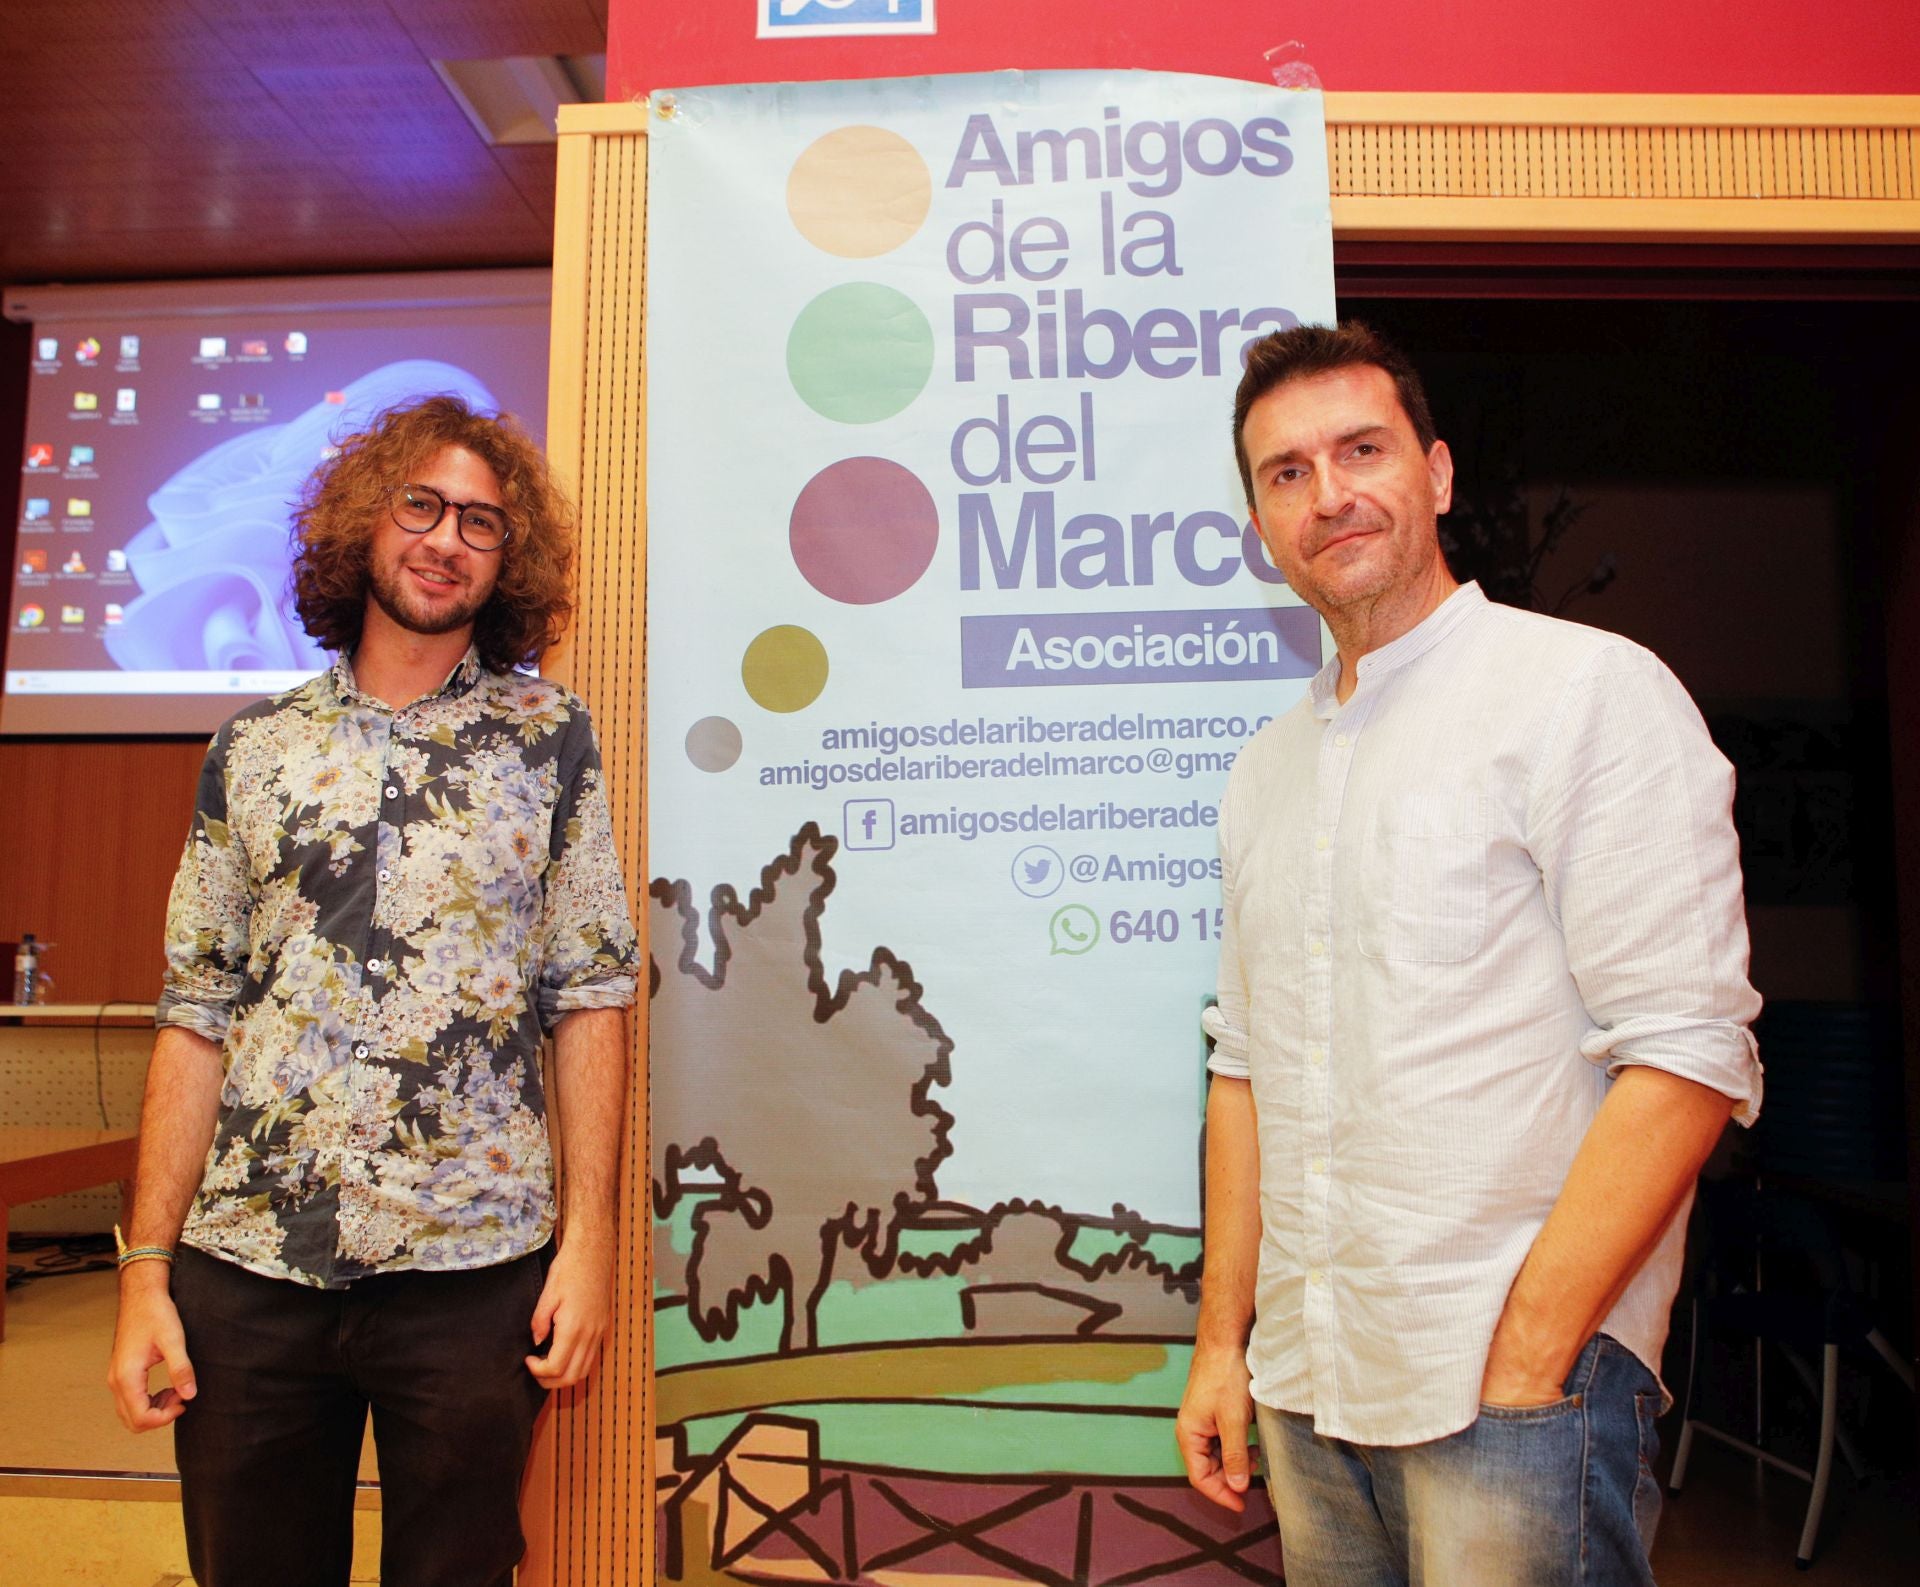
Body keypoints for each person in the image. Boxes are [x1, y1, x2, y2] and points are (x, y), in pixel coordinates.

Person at [1175, 323, 1762, 1585]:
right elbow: (1245, 1073)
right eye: (1286, 474)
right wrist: (1226, 1345)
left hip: (1510, 1396)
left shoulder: (1586, 695)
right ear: (1260, 531)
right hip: (1309, 1387)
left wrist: (1526, 1361)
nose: (1329, 494)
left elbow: (1690, 1055)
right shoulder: (1264, 773)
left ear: (1436, 474)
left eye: (1361, 449)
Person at [107, 396, 639, 1587]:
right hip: (248, 1273)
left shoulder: (553, 742)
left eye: (483, 523)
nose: (447, 538)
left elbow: (592, 996)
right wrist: (146, 1270)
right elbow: (196, 1017)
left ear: (510, 561)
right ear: (366, 521)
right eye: (423, 505)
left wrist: (590, 1245)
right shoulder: (252, 749)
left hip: (471, 1272)